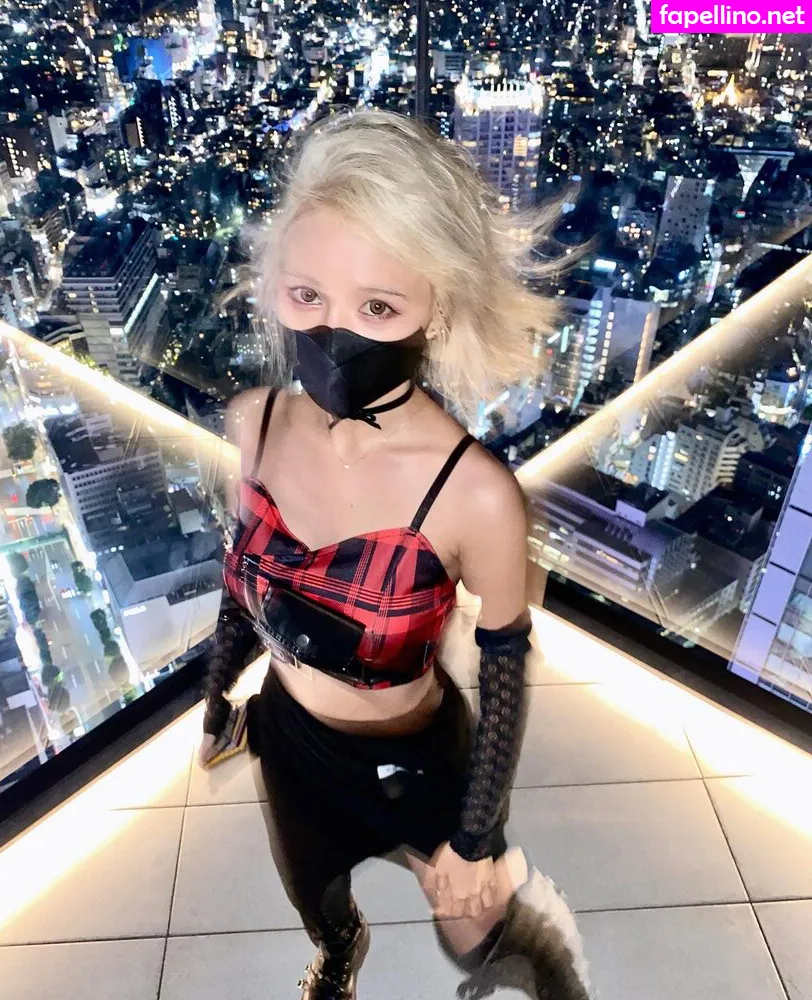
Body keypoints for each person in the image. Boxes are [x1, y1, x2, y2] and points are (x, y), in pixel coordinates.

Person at [200, 109, 591, 1000]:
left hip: (414, 755)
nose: (333, 333)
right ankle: (341, 954)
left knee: (477, 930)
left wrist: (477, 837)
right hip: (290, 734)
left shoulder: (474, 494)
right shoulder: (253, 423)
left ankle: (544, 957)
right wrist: (216, 696)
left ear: (437, 307)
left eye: (378, 306)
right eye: (306, 296)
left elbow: (504, 674)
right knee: (312, 891)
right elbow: (243, 585)